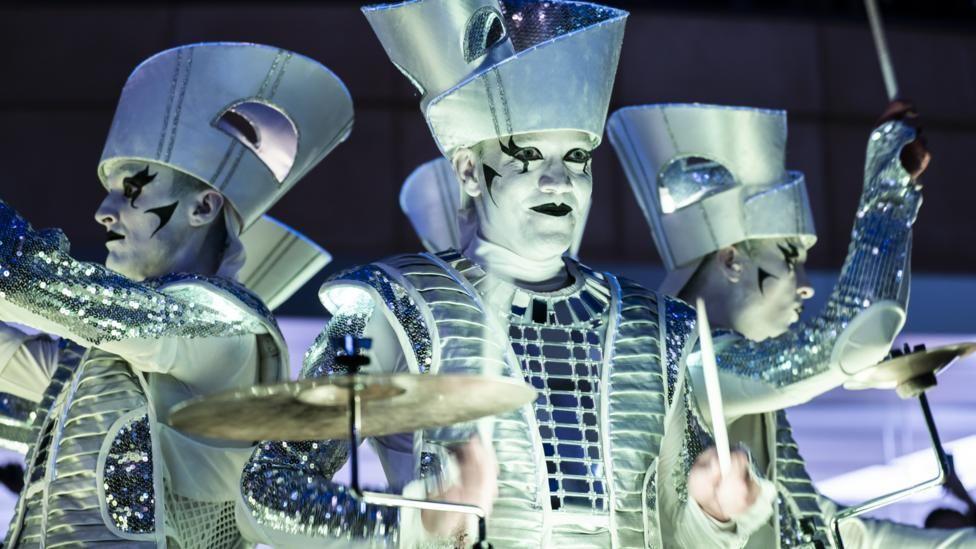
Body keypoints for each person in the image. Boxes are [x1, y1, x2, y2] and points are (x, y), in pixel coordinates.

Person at [241, 2, 777, 547]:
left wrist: (716, 513)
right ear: (469, 170)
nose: (557, 181)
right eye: (528, 156)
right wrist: (413, 524)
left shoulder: (657, 325)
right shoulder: (384, 305)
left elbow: (679, 531)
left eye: (575, 158)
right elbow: (268, 489)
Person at [0, 42, 353, 547]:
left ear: (204, 207)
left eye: (130, 188)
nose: (103, 210)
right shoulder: (106, 353)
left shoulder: (224, 325)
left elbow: (65, 295)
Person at [608, 101, 976, 547]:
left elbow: (821, 528)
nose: (804, 286)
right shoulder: (693, 365)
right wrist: (889, 186)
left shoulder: (750, 392)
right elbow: (853, 336)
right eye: (788, 259)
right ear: (730, 260)